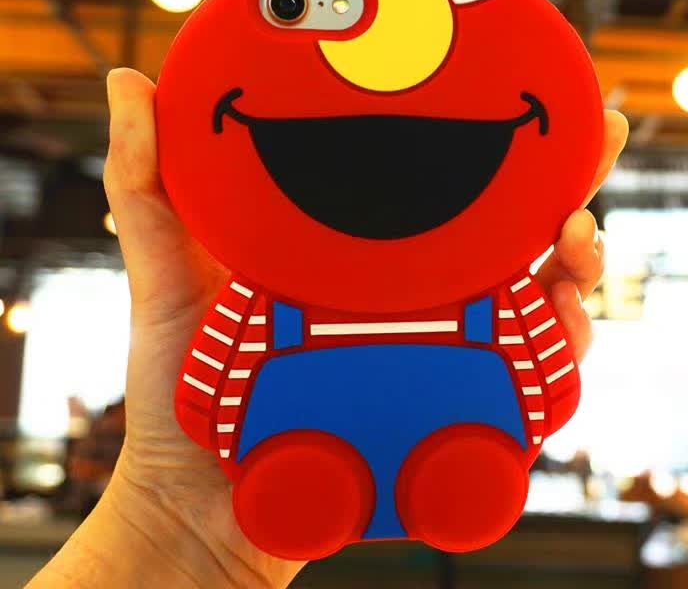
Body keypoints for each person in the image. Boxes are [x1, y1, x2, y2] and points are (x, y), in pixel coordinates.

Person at [27, 68, 627, 588]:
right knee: (305, 476)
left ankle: (457, 472)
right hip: (298, 455)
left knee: (459, 472)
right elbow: (546, 376)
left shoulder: (485, 290)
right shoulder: (270, 290)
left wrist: (206, 415)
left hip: (447, 442)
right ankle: (313, 478)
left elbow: (214, 380)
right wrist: (171, 517)